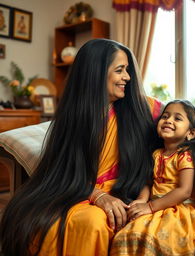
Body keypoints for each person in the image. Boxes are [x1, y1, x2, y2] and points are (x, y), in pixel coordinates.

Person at [0, 39, 163, 256]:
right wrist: (98, 196)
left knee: (93, 223)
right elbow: (62, 172)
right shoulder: (73, 116)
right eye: (120, 70)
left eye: (127, 70)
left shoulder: (147, 109)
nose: (127, 77)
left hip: (126, 190)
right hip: (79, 191)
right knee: (40, 220)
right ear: (96, 73)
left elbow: (178, 144)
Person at [110, 99, 195, 256]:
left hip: (178, 209)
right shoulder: (156, 154)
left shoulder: (186, 156)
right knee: (127, 235)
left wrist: (150, 207)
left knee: (156, 238)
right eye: (165, 116)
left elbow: (184, 191)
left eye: (177, 118)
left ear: (191, 133)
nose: (168, 120)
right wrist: (142, 200)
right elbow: (149, 183)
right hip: (155, 206)